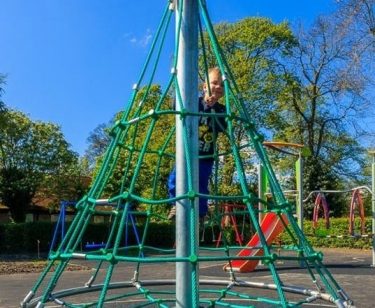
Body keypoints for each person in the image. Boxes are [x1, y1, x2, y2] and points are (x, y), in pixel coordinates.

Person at [168, 67, 227, 220]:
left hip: (205, 156)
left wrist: (213, 106)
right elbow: (176, 105)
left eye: (222, 85)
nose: (219, 87)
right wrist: (179, 83)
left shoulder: (221, 110)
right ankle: (176, 205)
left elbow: (223, 126)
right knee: (175, 179)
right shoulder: (194, 103)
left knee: (201, 184)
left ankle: (200, 212)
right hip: (186, 154)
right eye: (214, 83)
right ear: (205, 86)